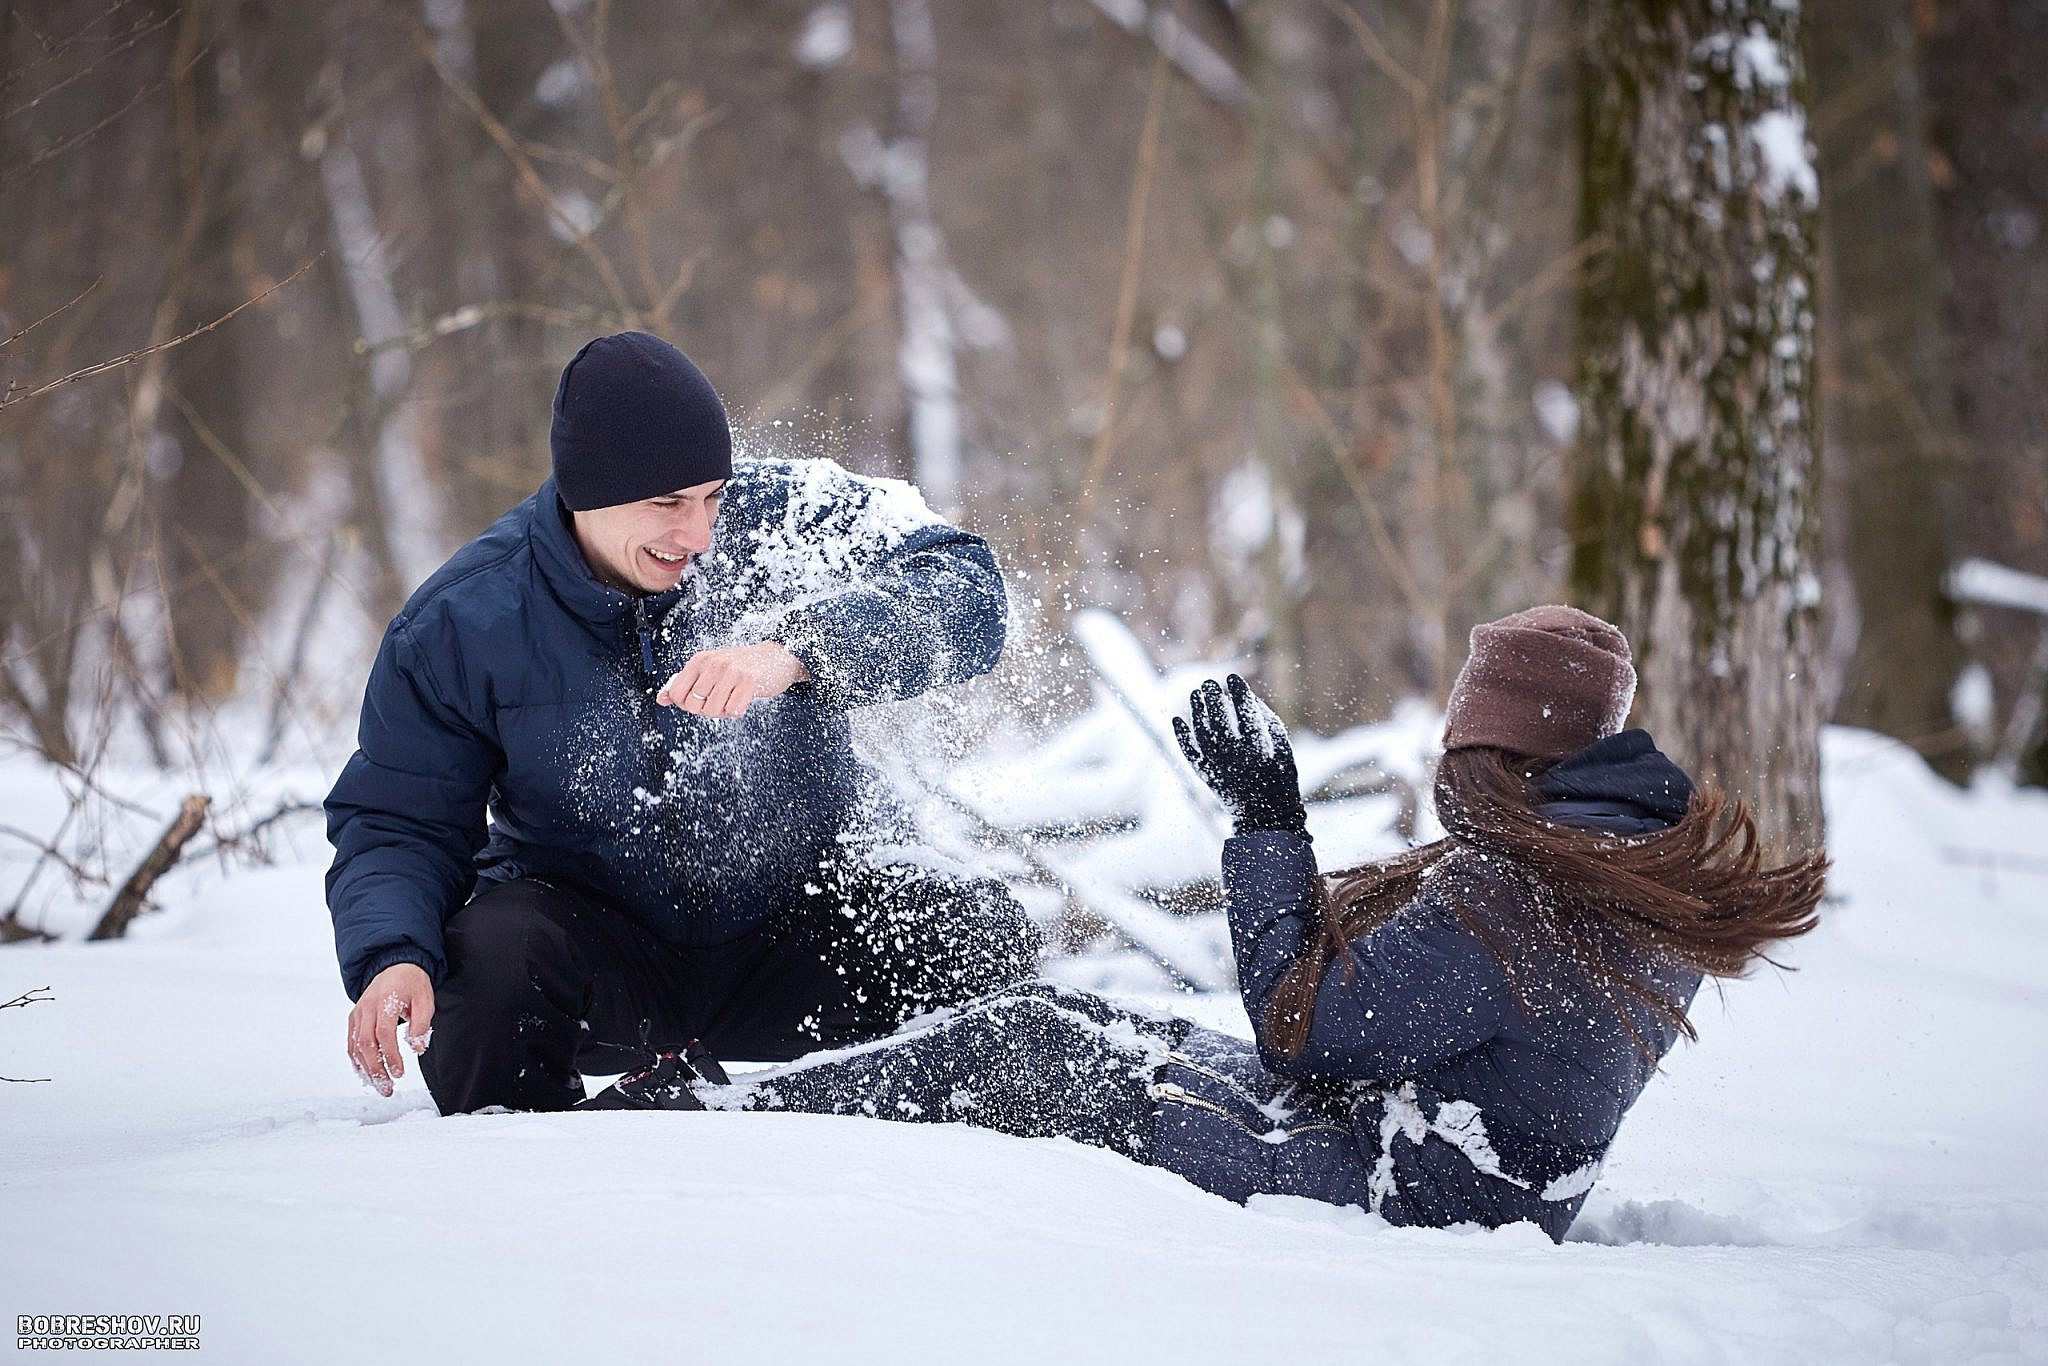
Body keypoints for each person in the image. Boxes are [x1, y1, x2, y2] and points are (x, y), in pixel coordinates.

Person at [594, 606, 1826, 1242]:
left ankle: (725, 1120)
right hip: (1423, 1153)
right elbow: (1372, 1019)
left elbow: (1299, 1026)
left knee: (1023, 1047)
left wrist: (1264, 821)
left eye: (1466, 735)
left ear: (1511, 741)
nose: (1450, 761)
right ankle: (746, 1100)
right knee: (1066, 1015)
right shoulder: (1604, 869)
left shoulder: (1526, 901)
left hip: (1401, 1197)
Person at [327, 331, 1039, 1113]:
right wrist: (393, 955)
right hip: (601, 955)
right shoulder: (466, 618)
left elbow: (967, 590)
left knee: (976, 933)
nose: (697, 536)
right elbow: (398, 822)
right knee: (482, 963)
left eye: (712, 496)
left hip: (797, 930)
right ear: (583, 490)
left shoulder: (782, 522)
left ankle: (932, 1168)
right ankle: (529, 1182)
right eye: (666, 503)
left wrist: (800, 652)